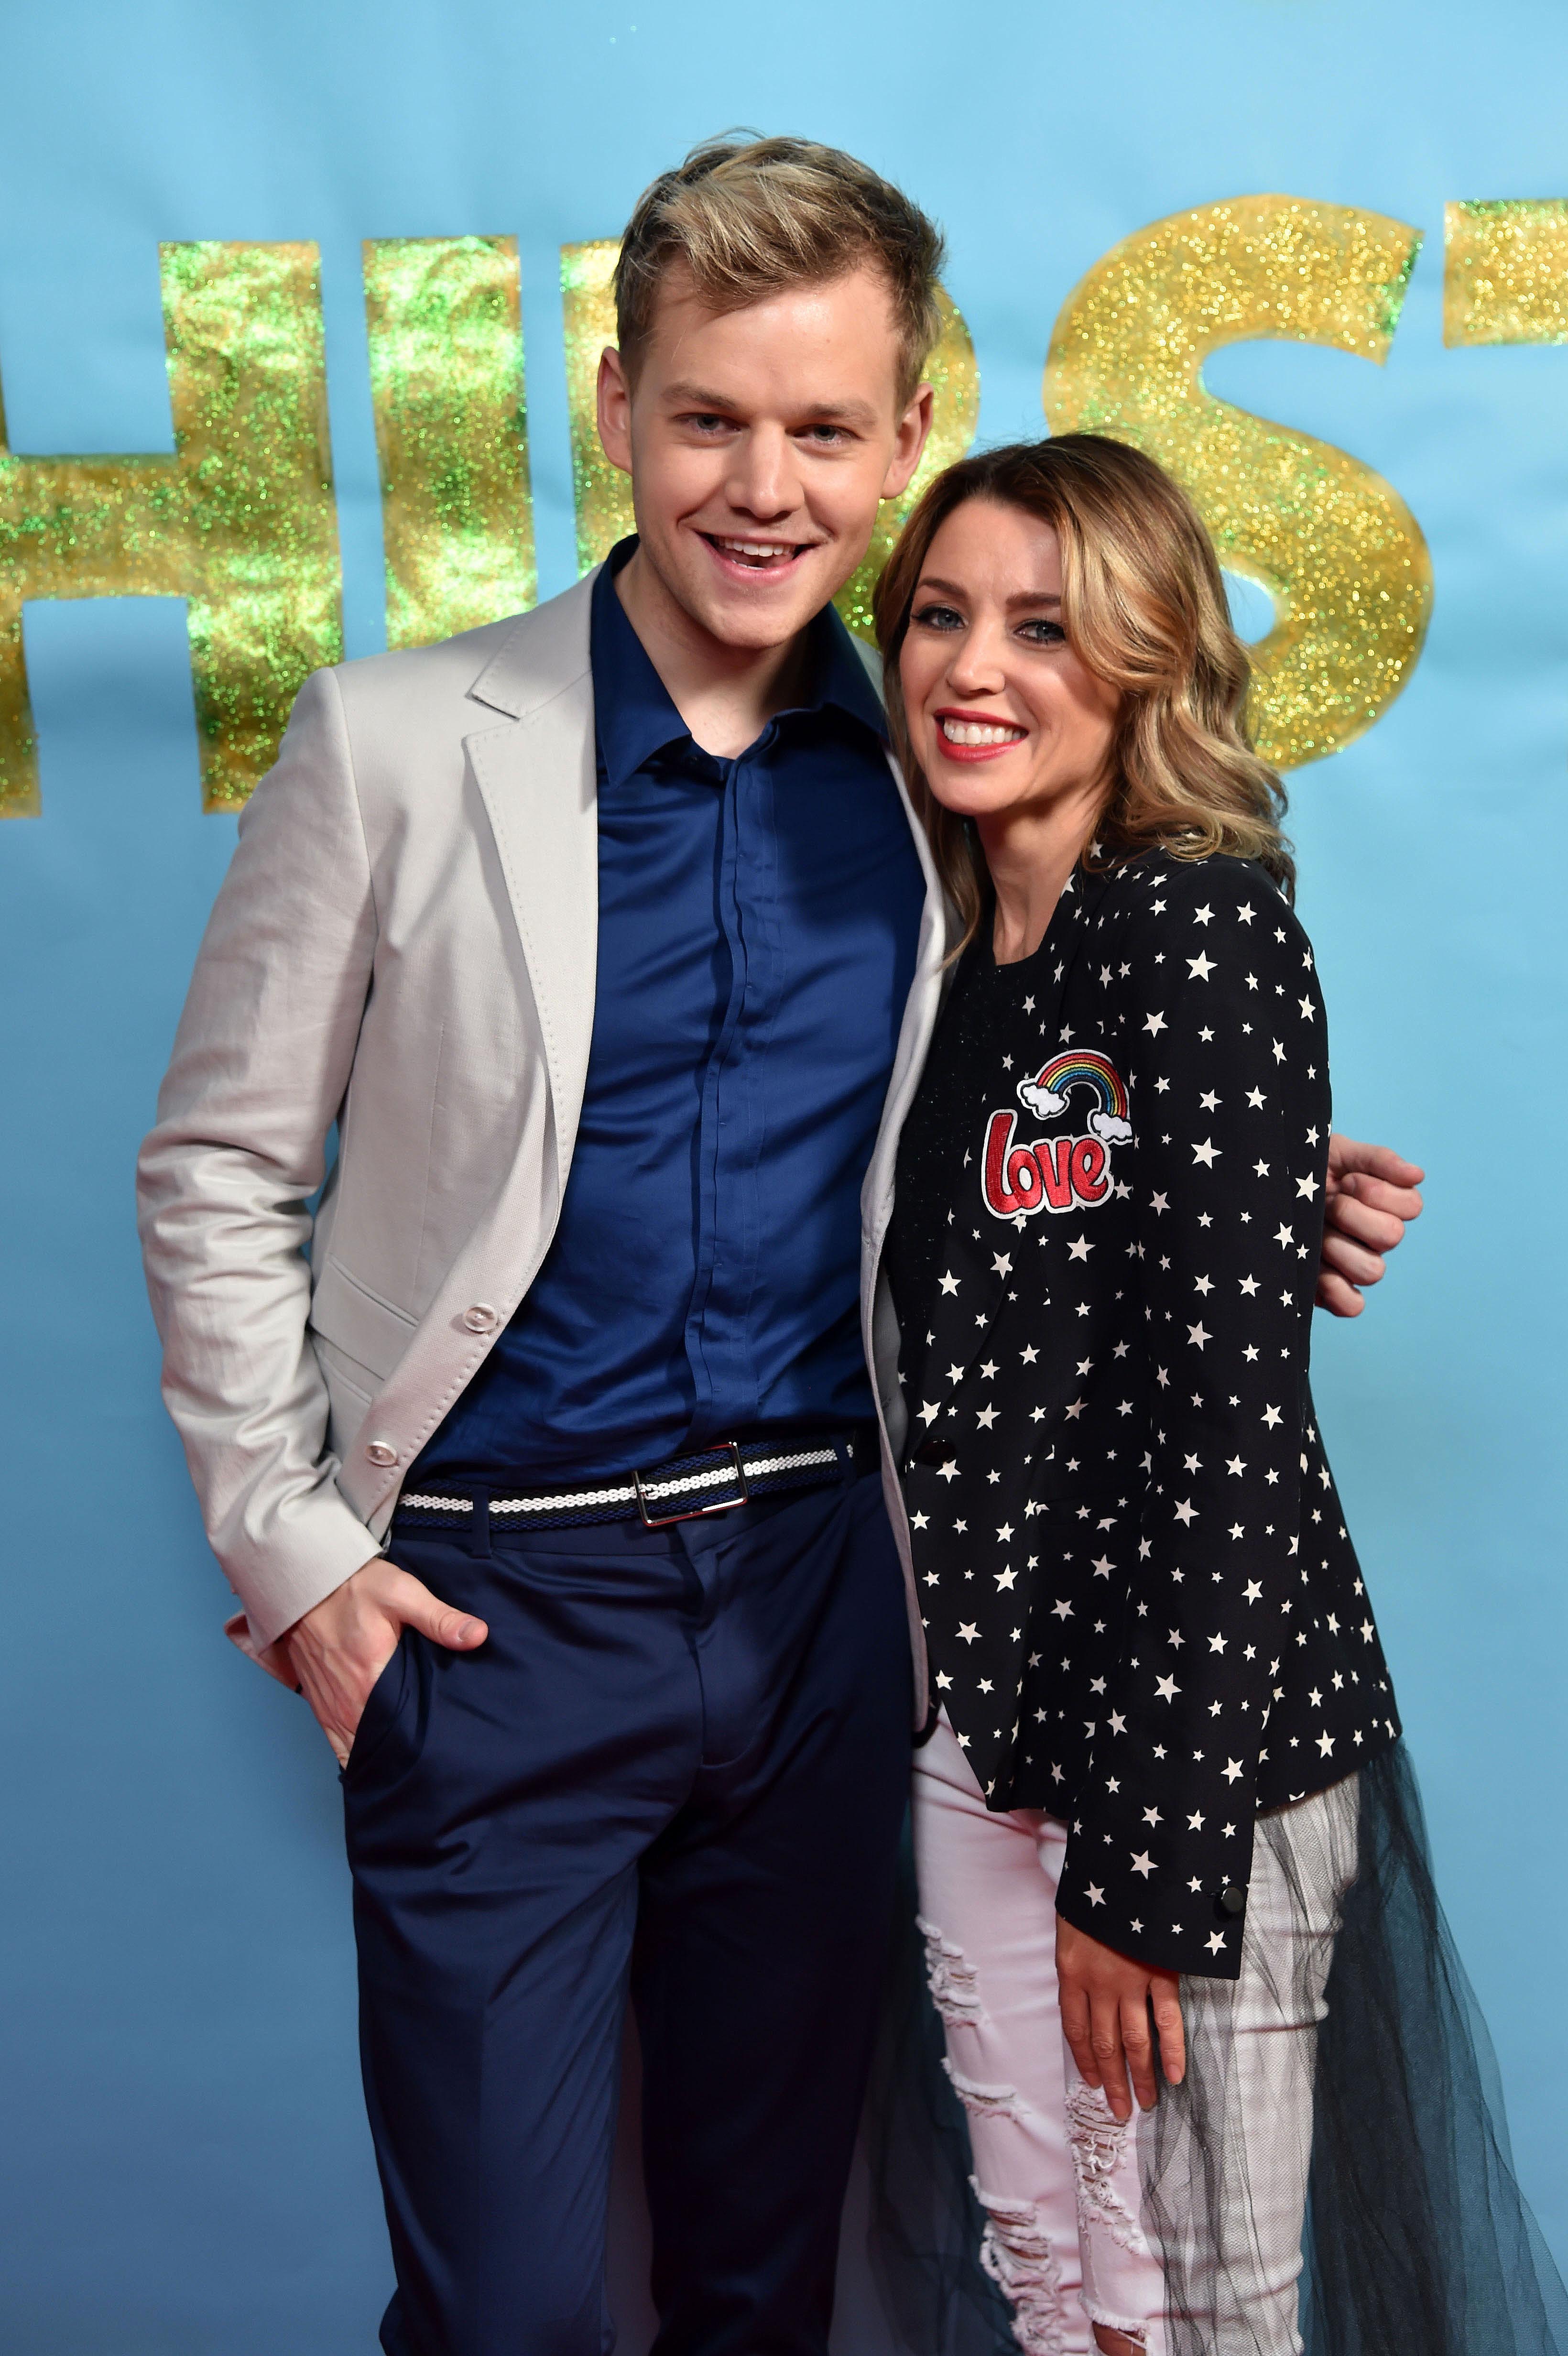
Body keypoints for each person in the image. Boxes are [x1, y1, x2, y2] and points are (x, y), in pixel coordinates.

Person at [136, 141, 1421, 2356]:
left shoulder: (938, 764)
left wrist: (1237, 1193)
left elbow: (1043, 1085)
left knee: (769, 2276)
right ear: (616, 405)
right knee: (512, 2300)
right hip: (499, 1609)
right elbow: (217, 1166)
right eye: (709, 417)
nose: (763, 485)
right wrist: (291, 1544)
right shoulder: (393, 742)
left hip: (844, 1601)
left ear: (902, 437)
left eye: (824, 428)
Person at [870, 435, 1565, 2356]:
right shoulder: (940, 961)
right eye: (938, 616)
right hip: (977, 1729)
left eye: (1043, 627)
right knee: (1052, 2288)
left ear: (1148, 664)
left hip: (1190, 1763)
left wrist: (1145, 1871)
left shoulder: (1198, 927)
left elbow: (1227, 1434)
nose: (973, 668)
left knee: (1197, 2311)